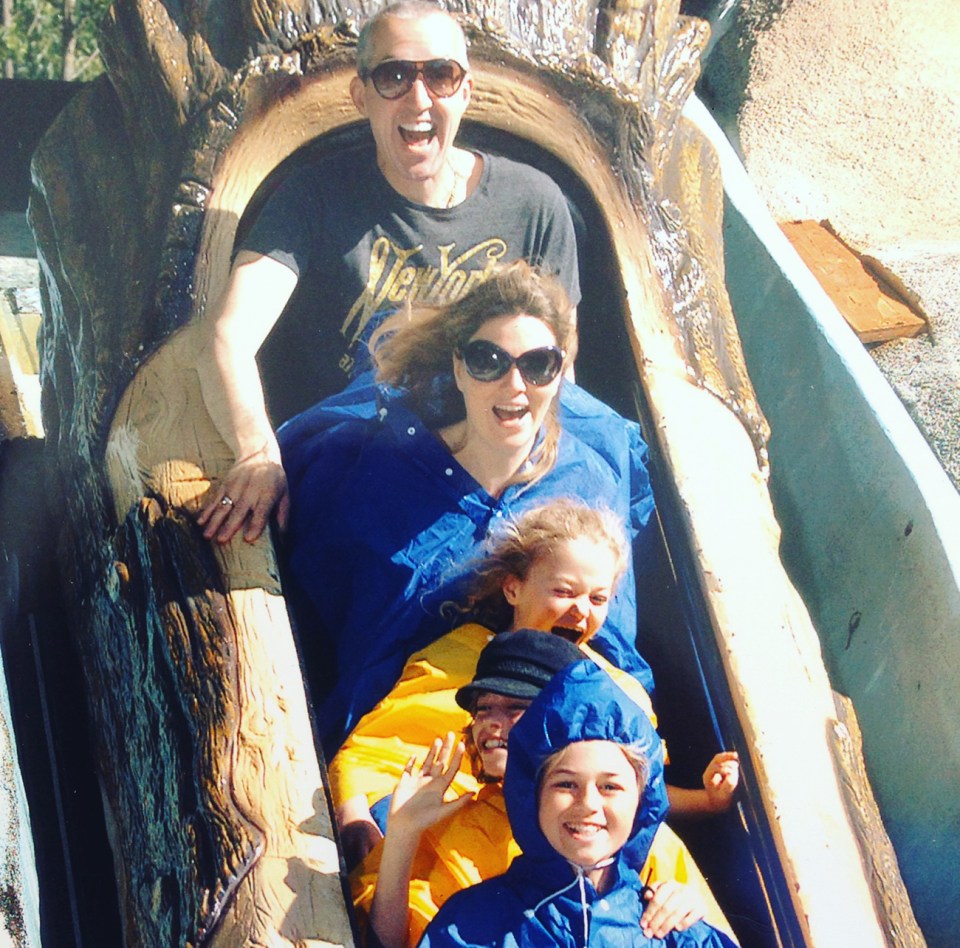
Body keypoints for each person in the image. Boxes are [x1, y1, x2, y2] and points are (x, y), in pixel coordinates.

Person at [193, 1, 580, 546]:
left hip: (498, 469)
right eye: (394, 76)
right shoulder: (312, 198)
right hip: (363, 470)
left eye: (440, 76)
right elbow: (227, 334)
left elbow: (561, 372)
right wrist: (257, 451)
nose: (419, 100)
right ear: (362, 96)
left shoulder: (534, 204)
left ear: (466, 91)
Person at [278, 263, 655, 755]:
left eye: (537, 364)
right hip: (398, 739)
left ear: (560, 373)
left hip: (540, 745)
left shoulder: (588, 482)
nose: (514, 384)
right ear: (458, 368)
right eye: (488, 360)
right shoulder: (378, 475)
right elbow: (313, 618)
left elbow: (609, 647)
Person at [330, 499, 736, 860]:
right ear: (513, 588)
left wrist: (708, 801)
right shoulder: (456, 658)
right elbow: (370, 752)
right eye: (564, 591)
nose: (581, 611)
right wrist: (354, 815)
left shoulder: (617, 691)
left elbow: (640, 793)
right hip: (449, 840)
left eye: (597, 599)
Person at [417, 659, 739, 948]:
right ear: (533, 797)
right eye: (566, 784)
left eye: (609, 786)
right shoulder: (472, 925)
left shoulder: (677, 932)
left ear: (641, 801)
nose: (587, 803)